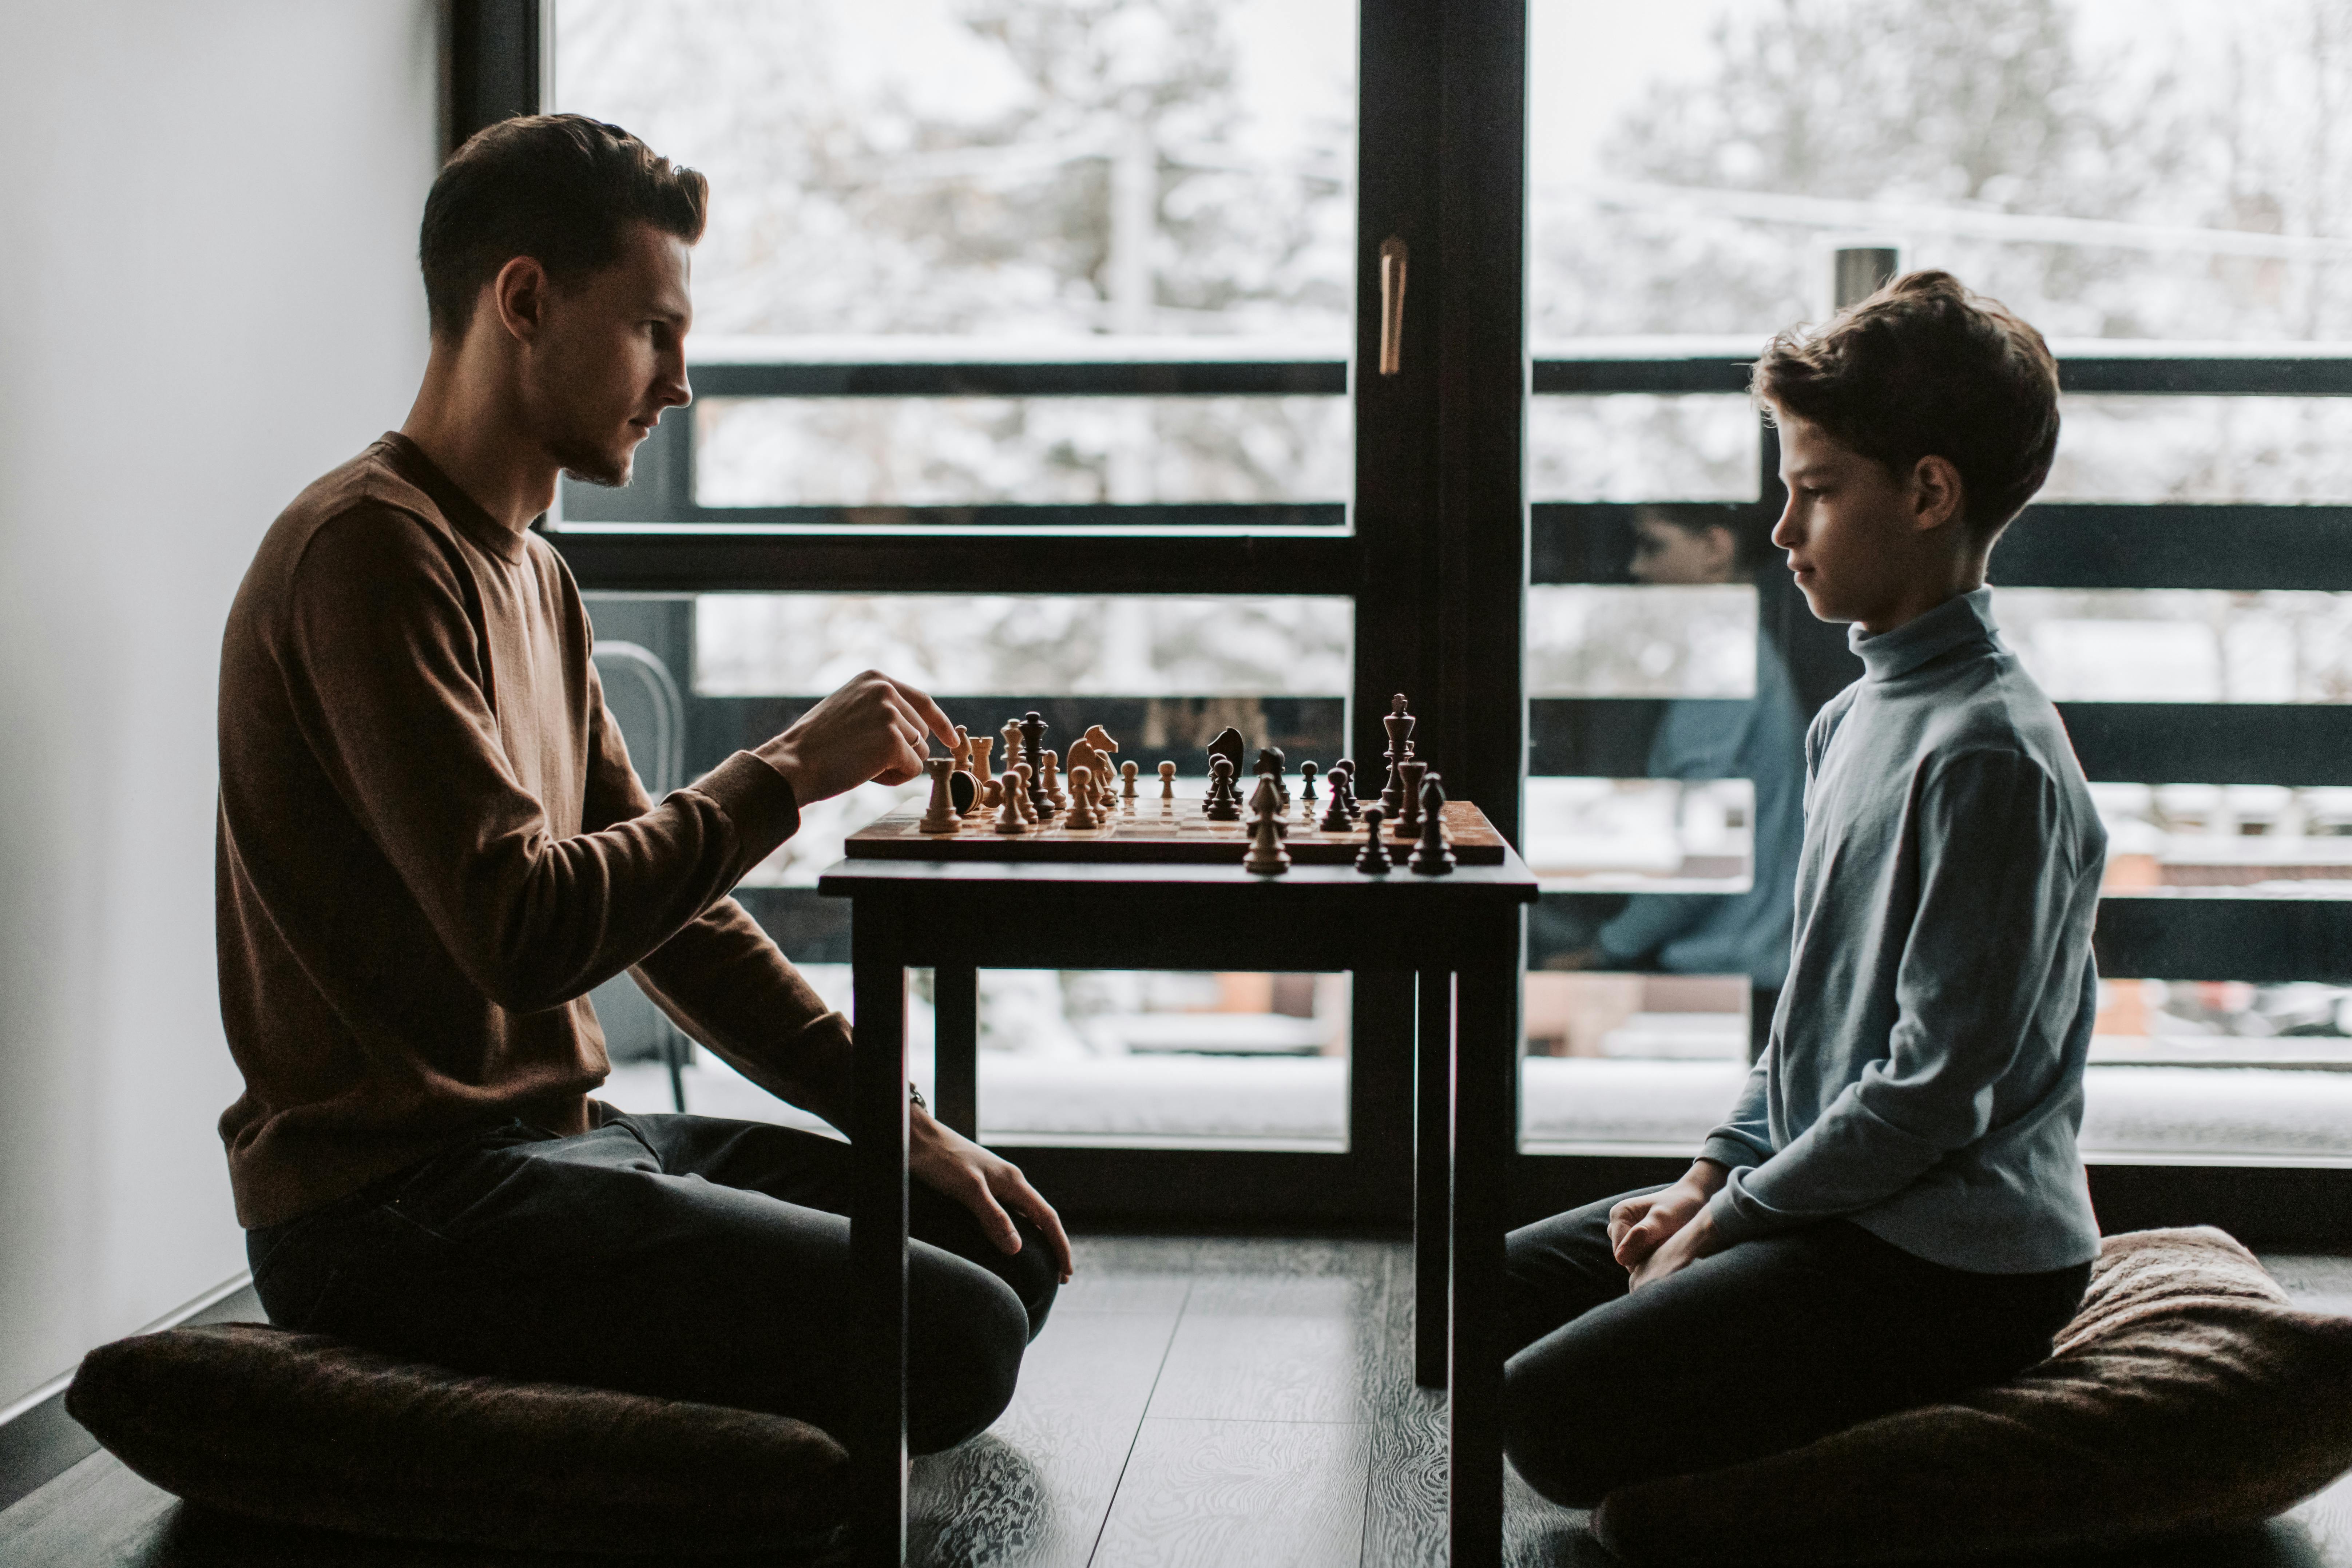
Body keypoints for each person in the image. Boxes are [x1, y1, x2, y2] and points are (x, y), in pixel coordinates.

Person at [216, 115, 1069, 1456]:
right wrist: (786, 771)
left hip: (561, 1148)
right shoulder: (364, 555)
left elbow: (668, 912)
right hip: (395, 1213)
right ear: (523, 301)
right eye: (654, 330)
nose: (680, 381)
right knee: (955, 1333)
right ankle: (566, 1434)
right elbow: (526, 931)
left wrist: (900, 1126)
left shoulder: (535, 574)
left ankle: (630, 1394)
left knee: (992, 1244)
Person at [1502, 271, 2104, 1505]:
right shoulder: (1849, 718)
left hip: (1954, 1258)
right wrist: (1704, 1181)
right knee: (1478, 1300)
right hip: (1840, 1201)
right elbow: (1807, 1032)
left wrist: (1730, 1229)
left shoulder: (1987, 752)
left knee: (1546, 1421)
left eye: (1816, 491)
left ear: (1929, 494)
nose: (1781, 529)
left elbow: (1931, 1093)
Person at [1541, 505, 1806, 1057]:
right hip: (1737, 969)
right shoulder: (1738, 653)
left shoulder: (1722, 659)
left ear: (1715, 549)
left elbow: (1701, 848)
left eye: (1654, 546)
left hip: (1717, 975)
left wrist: (1607, 949)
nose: (1637, 569)